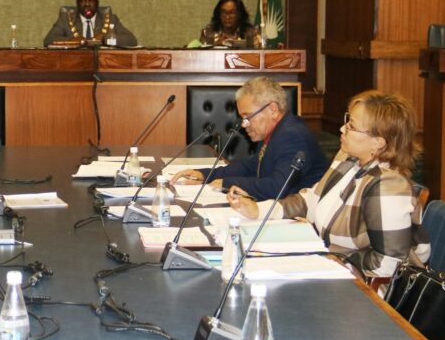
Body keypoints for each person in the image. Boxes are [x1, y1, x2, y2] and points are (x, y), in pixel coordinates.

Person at [228, 90, 431, 278]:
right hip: (333, 270)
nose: (342, 128)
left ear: (378, 142)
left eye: (352, 126)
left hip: (369, 289)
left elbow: (389, 265)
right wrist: (258, 210)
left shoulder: (388, 186)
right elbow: (310, 200)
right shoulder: (347, 161)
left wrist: (337, 261)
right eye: (347, 121)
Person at [171, 77, 327, 200]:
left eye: (248, 116)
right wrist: (206, 175)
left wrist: (227, 183)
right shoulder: (277, 130)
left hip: (298, 220)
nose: (244, 124)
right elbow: (252, 167)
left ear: (272, 109)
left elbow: (278, 187)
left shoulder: (292, 135)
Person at [42, 0, 138, 46]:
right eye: (83, 0)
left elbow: (131, 40)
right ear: (77, 3)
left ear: (97, 3)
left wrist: (105, 38)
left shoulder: (109, 18)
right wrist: (72, 40)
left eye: (90, 1)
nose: (87, 4)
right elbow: (48, 40)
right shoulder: (66, 19)